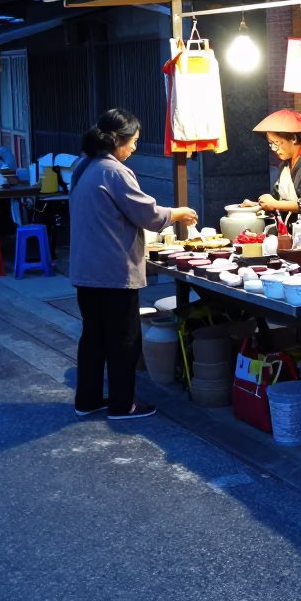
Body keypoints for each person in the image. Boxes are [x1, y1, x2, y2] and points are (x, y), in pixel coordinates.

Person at [69, 108, 198, 420]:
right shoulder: (114, 171)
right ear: (117, 139)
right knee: (124, 339)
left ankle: (87, 400)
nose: (135, 147)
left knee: (93, 337)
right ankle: (122, 404)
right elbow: (147, 215)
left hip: (86, 268)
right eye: (134, 141)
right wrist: (179, 212)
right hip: (113, 270)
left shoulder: (82, 165)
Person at [242, 109, 301, 231]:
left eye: (276, 143)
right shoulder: (285, 165)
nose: (274, 149)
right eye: (270, 144)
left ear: (293, 138)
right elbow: (278, 199)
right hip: (290, 231)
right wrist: (256, 206)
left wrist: (274, 204)